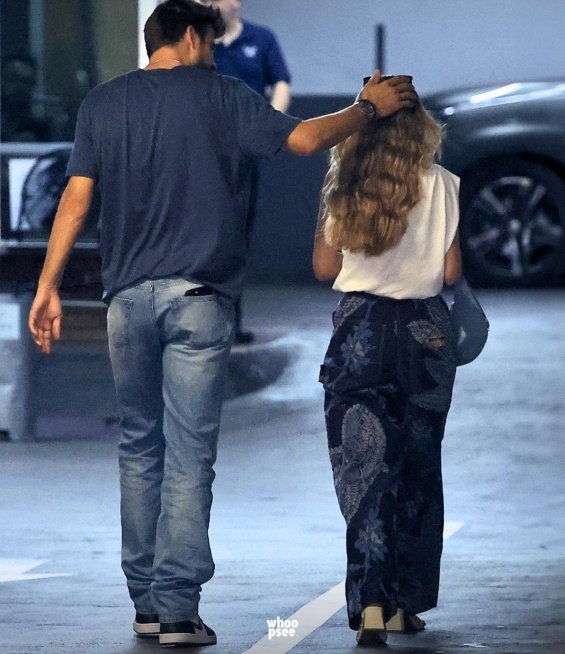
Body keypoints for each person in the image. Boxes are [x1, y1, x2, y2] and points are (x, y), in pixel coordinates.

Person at [27, 0, 417, 647]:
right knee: (188, 455)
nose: (214, 53)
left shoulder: (101, 103)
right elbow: (302, 139)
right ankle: (178, 608)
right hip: (199, 300)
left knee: (138, 447)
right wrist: (369, 107)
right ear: (188, 37)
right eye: (209, 43)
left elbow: (75, 197)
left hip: (125, 301)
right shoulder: (220, 95)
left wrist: (48, 286)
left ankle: (146, 604)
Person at [313, 83, 461, 646]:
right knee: (418, 472)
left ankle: (370, 604)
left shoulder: (344, 186)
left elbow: (325, 267)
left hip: (361, 334)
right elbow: (449, 275)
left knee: (365, 472)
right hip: (427, 337)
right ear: (421, 127)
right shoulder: (445, 185)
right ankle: (405, 603)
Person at [201, 0, 292, 342]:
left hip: (243, 156)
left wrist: (269, 126)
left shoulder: (261, 39)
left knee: (234, 239)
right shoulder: (195, 39)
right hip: (199, 152)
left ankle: (229, 322)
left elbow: (281, 82)